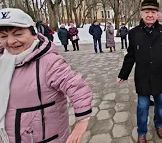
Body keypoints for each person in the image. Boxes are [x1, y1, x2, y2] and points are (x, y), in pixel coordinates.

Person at [0, 8, 93, 143]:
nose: (10, 41)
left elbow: (78, 88)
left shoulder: (49, 62)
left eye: (18, 34)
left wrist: (82, 122)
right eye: (3, 36)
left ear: (33, 34)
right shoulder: (3, 61)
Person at [117, 0, 162, 143]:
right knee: (142, 107)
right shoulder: (134, 33)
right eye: (146, 12)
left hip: (160, 76)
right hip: (142, 78)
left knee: (160, 106)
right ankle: (142, 132)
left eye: (153, 12)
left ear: (157, 14)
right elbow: (130, 55)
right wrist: (124, 73)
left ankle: (158, 124)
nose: (149, 15)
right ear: (141, 13)